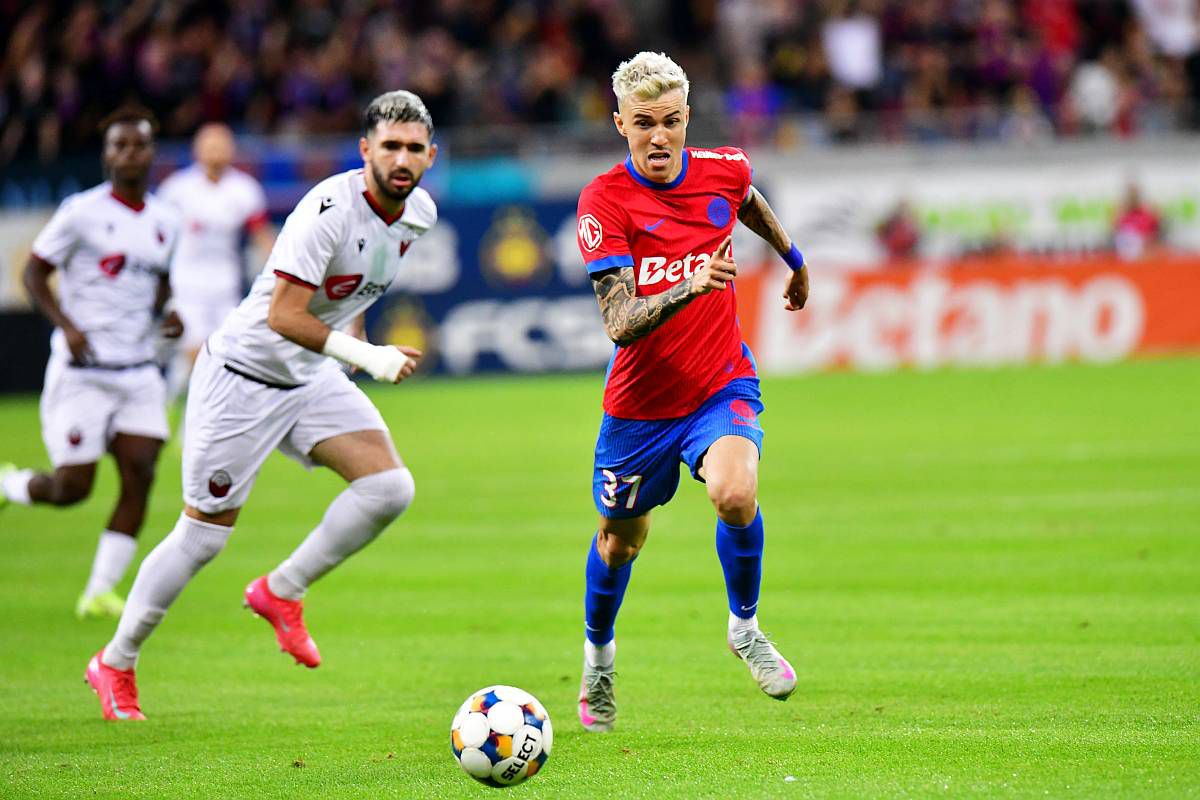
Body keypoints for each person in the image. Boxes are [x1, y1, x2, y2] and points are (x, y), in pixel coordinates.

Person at [83, 90, 438, 721]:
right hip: (243, 376)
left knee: (389, 488)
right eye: (390, 146)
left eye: (414, 148)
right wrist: (368, 357)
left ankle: (281, 591)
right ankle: (115, 660)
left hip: (309, 376)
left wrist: (354, 342)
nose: (402, 158)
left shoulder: (418, 216)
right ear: (366, 152)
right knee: (201, 538)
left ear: (430, 155)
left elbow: (354, 290)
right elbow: (282, 315)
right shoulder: (328, 210)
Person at [573, 52, 810, 733]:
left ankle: (744, 628)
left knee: (735, 493)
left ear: (686, 120)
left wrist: (793, 259)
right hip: (640, 410)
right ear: (620, 124)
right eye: (643, 123)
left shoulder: (723, 167)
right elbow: (619, 323)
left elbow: (746, 200)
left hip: (719, 382)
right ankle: (599, 658)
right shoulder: (604, 201)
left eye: (670, 121)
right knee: (620, 542)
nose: (658, 136)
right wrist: (689, 284)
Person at [0, 107, 183, 620]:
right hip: (83, 371)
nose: (129, 154)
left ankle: (99, 590)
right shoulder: (80, 211)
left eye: (139, 145)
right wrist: (67, 324)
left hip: (139, 369)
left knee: (141, 473)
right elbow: (34, 275)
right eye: (119, 145)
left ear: (151, 154)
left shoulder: (167, 222)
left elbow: (159, 283)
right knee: (72, 489)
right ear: (106, 155)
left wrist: (167, 316)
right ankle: (10, 485)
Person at [157, 123, 275, 401]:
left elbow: (261, 236)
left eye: (222, 145)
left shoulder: (244, 190)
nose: (216, 152)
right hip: (187, 286)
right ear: (197, 150)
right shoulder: (176, 190)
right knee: (195, 353)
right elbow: (158, 237)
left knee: (224, 357)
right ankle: (165, 410)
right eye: (210, 146)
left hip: (226, 286)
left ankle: (192, 421)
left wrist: (277, 273)